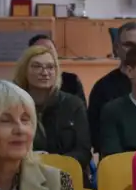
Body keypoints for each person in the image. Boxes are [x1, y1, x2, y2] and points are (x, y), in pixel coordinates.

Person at [13, 45, 91, 177]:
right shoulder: (13, 104)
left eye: (50, 67)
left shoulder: (73, 105)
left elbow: (83, 152)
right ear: (24, 70)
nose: (44, 72)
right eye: (37, 66)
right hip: (25, 175)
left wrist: (52, 163)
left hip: (66, 176)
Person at [87, 21, 136, 152]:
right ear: (116, 48)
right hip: (119, 163)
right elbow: (96, 137)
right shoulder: (103, 88)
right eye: (129, 45)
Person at [27, 32, 85, 101]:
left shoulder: (71, 81)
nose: (46, 53)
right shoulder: (21, 85)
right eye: (40, 50)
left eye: (50, 49)